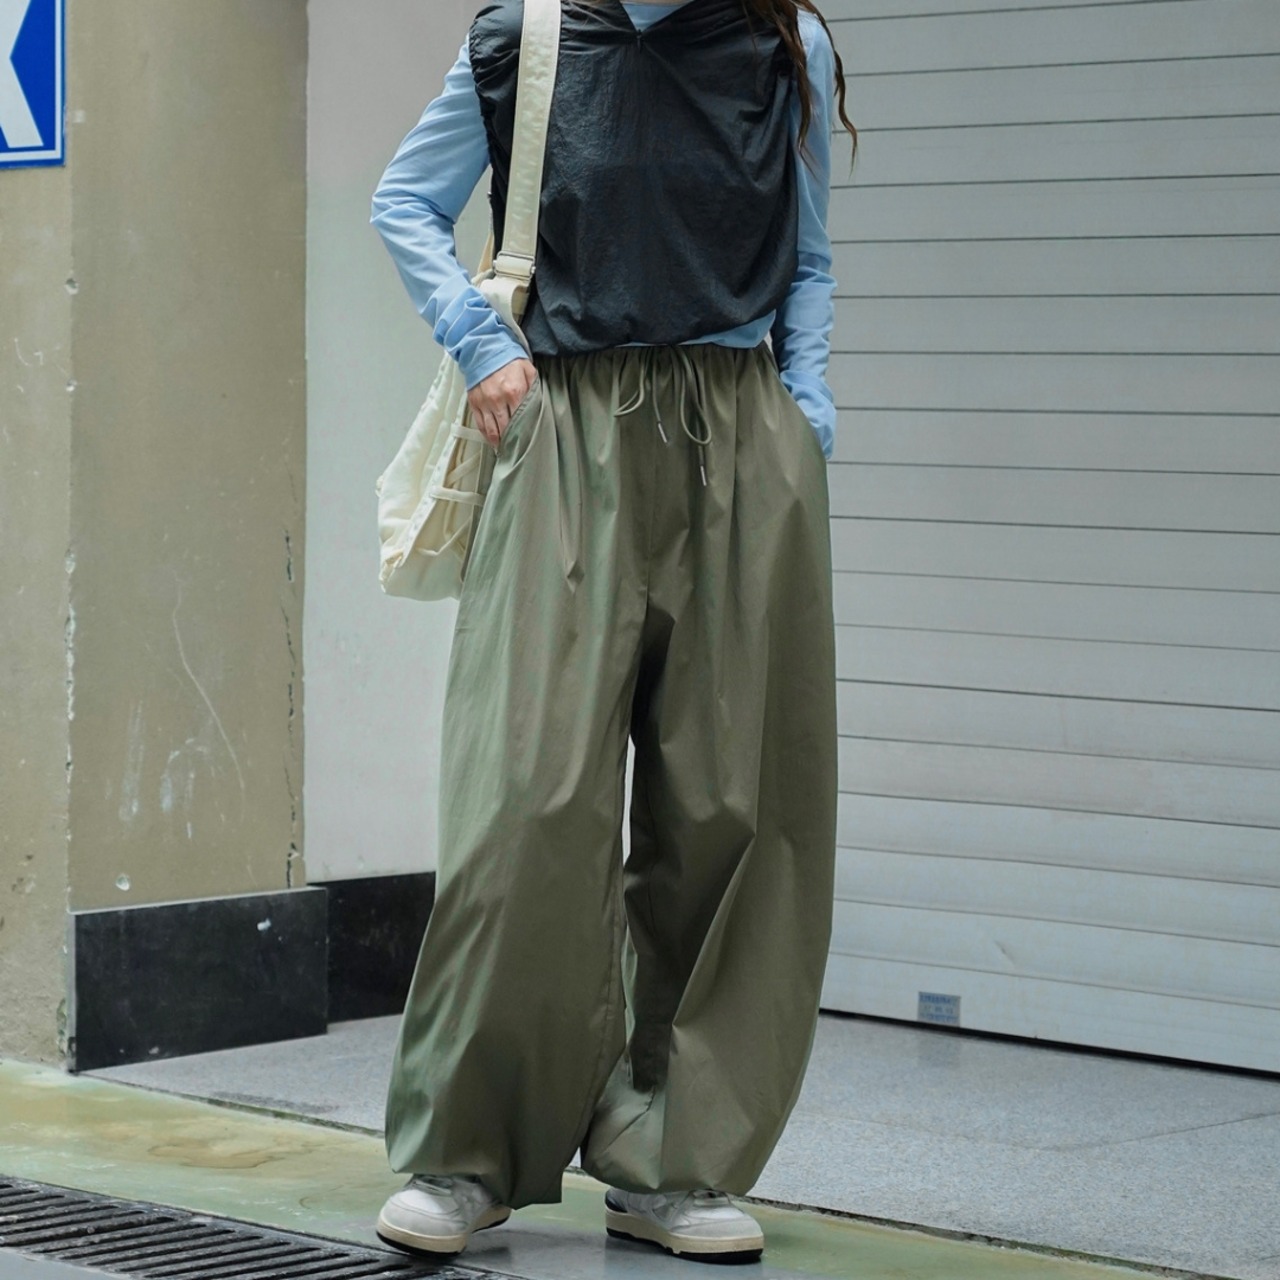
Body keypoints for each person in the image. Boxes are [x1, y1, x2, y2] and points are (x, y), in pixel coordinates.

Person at [369, 0, 858, 1263]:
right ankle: (468, 1153)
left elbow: (806, 255)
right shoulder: (525, 36)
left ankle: (673, 1161)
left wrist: (803, 416)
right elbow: (404, 200)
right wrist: (477, 342)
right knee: (523, 800)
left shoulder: (782, 44)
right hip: (565, 430)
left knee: (730, 810)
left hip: (739, 431)